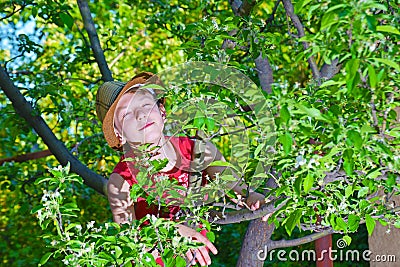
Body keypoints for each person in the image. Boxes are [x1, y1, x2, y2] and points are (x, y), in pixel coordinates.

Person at [96, 72, 267, 266]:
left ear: (162, 111)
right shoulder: (121, 182)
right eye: (126, 114)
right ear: (119, 134)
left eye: (145, 104)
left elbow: (231, 184)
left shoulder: (198, 151)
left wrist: (250, 195)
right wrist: (172, 232)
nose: (140, 114)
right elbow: (130, 245)